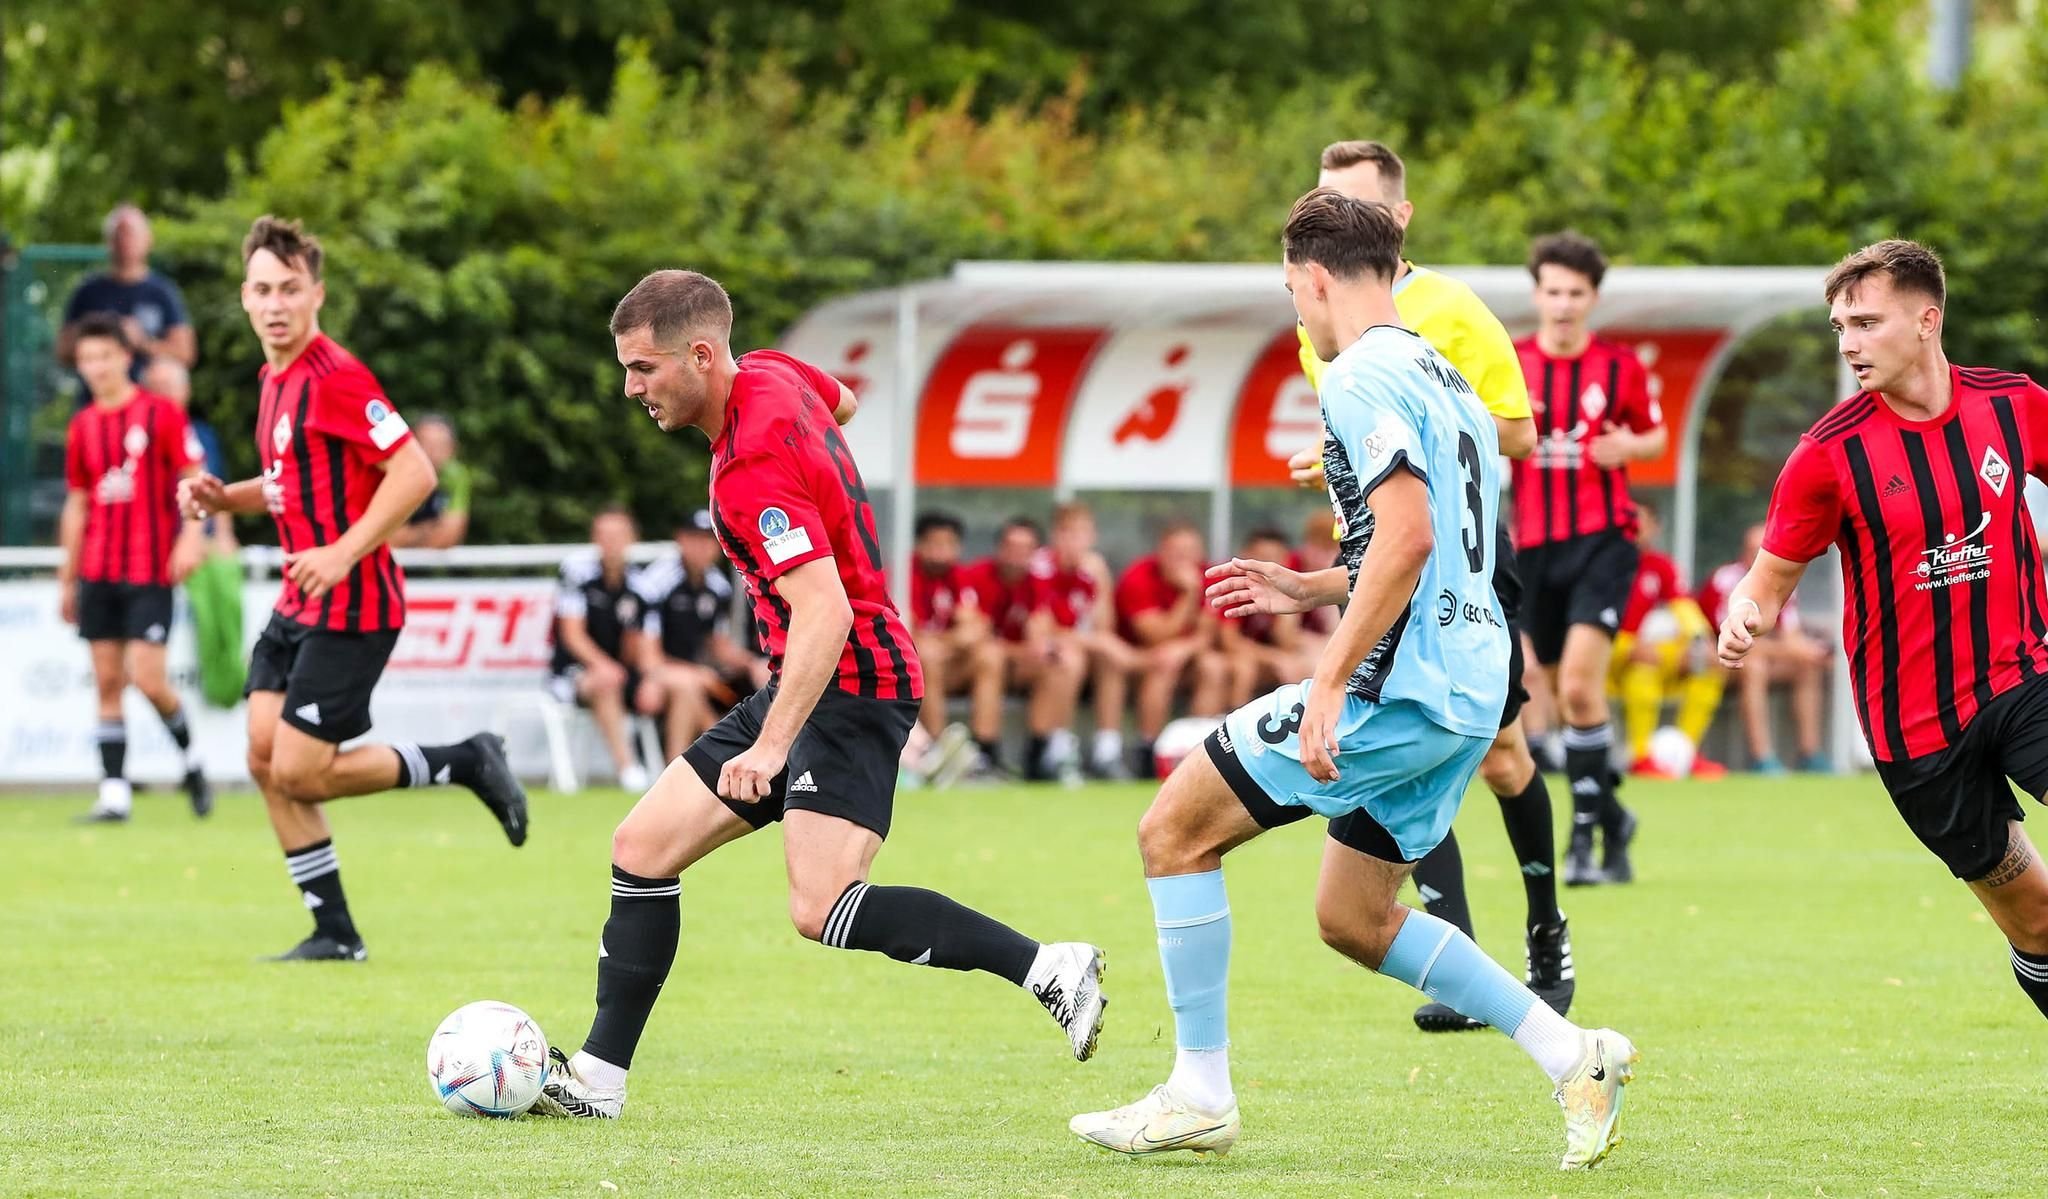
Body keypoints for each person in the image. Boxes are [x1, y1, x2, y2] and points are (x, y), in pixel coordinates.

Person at [1071, 190, 1636, 1169]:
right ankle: (1570, 1050)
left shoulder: (1357, 376)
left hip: (1397, 685)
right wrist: (1312, 583)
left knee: (1170, 829)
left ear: (1317, 277)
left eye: (1292, 291)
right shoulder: (1445, 376)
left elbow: (1411, 536)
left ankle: (1197, 1089)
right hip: (1465, 686)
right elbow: (1421, 546)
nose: (1296, 311)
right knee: (1353, 916)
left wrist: (1328, 677)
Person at [531, 269, 1106, 1119]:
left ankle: (1049, 965)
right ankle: (600, 1079)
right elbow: (839, 404)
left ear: (700, 354)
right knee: (641, 846)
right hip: (804, 674)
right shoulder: (771, 372)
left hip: (854, 680)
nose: (631, 388)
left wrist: (770, 747)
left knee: (821, 906)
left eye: (644, 368)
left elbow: (827, 609)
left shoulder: (751, 467)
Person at [177, 216, 529, 962]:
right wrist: (221, 497)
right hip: (300, 600)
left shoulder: (337, 378)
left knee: (301, 769)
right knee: (265, 760)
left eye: (291, 289)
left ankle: (464, 758)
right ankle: (333, 931)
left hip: (353, 605)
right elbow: (287, 483)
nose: (276, 303)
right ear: (245, 297)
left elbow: (415, 473)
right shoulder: (275, 379)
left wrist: (340, 552)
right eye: (264, 289)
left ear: (317, 295)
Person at [1717, 238, 2048, 1024]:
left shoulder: (2014, 404)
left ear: (1927, 319)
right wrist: (1743, 615)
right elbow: (1767, 580)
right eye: (1840, 326)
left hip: (2023, 677)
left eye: (1865, 323)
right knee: (2032, 915)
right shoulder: (1827, 454)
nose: (1848, 343)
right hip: (1917, 730)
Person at [1288, 140, 1573, 1030]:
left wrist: (1419, 428)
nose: (1333, 216)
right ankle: (1458, 949)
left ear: (1397, 217)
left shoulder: (1451, 308)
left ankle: (1546, 936)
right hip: (1372, 556)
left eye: (1352, 201)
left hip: (1464, 557)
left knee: (1501, 755)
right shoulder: (1317, 314)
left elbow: (1519, 434)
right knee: (1405, 733)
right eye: (1323, 198)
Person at [1511, 231, 1668, 885]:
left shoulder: (1619, 365)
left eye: (1577, 292)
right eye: (1553, 291)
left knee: (1578, 685)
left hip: (1604, 538)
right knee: (1550, 686)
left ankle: (1581, 844)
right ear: (1538, 294)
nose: (1564, 304)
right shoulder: (1511, 360)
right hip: (1535, 548)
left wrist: (1627, 445)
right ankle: (1611, 814)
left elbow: (1655, 434)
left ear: (1592, 298)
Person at [58, 315, 211, 821]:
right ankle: (114, 796)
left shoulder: (161, 414)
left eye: (104, 356)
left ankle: (192, 762)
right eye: (87, 359)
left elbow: (195, 478)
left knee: (148, 679)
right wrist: (67, 576)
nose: (95, 367)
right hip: (99, 570)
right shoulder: (82, 426)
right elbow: (78, 503)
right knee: (106, 682)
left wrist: (192, 537)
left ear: (126, 357)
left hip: (150, 568)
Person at [632, 510, 769, 760]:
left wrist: (754, 664)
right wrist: (695, 673)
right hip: (647, 674)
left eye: (709, 540)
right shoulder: (656, 582)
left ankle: (726, 759)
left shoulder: (717, 586)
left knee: (759, 679)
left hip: (696, 674)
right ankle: (706, 761)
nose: (703, 548)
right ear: (680, 540)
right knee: (689, 686)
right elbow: (645, 657)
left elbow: (717, 645)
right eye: (695, 539)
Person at [962, 516, 1086, 780]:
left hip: (1013, 664)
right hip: (969, 665)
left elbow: (1040, 635)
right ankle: (984, 753)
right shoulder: (975, 576)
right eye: (1011, 546)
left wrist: (1040, 647)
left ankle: (1042, 753)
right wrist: (1023, 648)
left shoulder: (1038, 583)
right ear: (999, 548)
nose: (1017, 555)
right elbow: (974, 636)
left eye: (1026, 548)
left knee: (1061, 661)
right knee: (990, 657)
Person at [1701, 524, 1831, 772]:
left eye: (1763, 549)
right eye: (1753, 550)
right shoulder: (1727, 579)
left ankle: (1810, 753)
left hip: (1759, 657)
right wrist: (1793, 650)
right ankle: (1762, 758)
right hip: (1719, 661)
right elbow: (1732, 639)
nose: (1758, 555)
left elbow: (1791, 637)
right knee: (1755, 665)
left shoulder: (1780, 582)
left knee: (1806, 666)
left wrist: (1812, 652)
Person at [1612, 508, 1725, 780]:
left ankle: (1685, 753)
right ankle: (1640, 757)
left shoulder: (1659, 566)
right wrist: (1627, 648)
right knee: (1642, 670)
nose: (1635, 528)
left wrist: (1701, 644)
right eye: (1630, 521)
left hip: (1649, 653)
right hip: (1607, 656)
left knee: (1708, 668)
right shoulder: (1603, 564)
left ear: (1655, 528)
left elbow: (1685, 610)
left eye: (1642, 522)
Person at [548, 508, 654, 791]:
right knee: (605, 681)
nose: (612, 542)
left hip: (622, 673)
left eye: (619, 535)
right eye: (604, 535)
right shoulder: (577, 573)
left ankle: (679, 772)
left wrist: (647, 679)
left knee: (676, 688)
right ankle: (628, 769)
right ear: (594, 539)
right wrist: (604, 665)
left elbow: (638, 646)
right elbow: (572, 635)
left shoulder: (640, 586)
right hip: (573, 675)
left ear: (633, 539)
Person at [1114, 522, 1230, 776]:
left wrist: (1183, 649)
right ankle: (1147, 749)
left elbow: (1208, 634)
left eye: (1190, 552)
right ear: (1161, 552)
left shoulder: (1212, 576)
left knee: (1214, 666)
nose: (1183, 560)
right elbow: (1154, 636)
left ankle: (1204, 753)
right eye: (1176, 552)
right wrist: (1189, 594)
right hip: (1139, 660)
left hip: (1186, 658)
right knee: (1163, 663)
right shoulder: (1139, 576)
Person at [1042, 502, 1137, 779]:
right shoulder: (1041, 568)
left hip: (1081, 651)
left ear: (1092, 536)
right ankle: (1057, 751)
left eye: (1082, 533)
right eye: (1067, 532)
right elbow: (1042, 631)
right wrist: (1097, 642)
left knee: (1109, 659)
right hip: (1040, 655)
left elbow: (1104, 626)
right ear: (1055, 535)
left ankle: (1107, 752)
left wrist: (1099, 581)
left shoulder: (1094, 569)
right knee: (1072, 658)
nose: (1074, 540)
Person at [904, 511, 999, 781]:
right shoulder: (905, 573)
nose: (941, 551)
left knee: (990, 656)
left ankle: (985, 752)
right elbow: (908, 634)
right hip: (917, 668)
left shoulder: (959, 575)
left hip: (949, 663)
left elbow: (975, 627)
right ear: (920, 544)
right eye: (934, 543)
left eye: (948, 544)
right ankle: (937, 752)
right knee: (926, 656)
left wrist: (947, 641)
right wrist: (953, 639)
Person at [58, 205, 196, 382]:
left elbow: (185, 353)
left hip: (147, 397)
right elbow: (63, 351)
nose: (125, 241)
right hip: (97, 398)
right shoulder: (87, 292)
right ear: (108, 242)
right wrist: (103, 338)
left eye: (131, 234)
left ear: (148, 240)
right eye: (118, 235)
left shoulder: (163, 292)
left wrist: (142, 342)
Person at [1222, 528, 1315, 707]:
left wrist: (1287, 603)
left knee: (1306, 664)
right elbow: (1229, 641)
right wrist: (1275, 658)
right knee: (1244, 668)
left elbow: (1286, 642)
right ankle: (1233, 728)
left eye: (1276, 558)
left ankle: (1298, 726)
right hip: (1226, 652)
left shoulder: (1286, 586)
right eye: (1262, 557)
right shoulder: (1233, 584)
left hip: (1260, 652)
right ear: (1245, 556)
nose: (1268, 565)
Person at [391, 413, 471, 548]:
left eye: (441, 445)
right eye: (425, 444)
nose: (433, 452)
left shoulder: (455, 476)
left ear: (453, 449)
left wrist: (409, 534)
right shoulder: (393, 474)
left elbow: (447, 538)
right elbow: (387, 541)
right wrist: (428, 529)